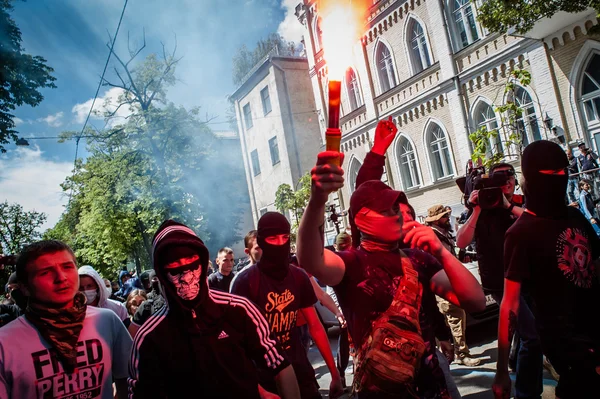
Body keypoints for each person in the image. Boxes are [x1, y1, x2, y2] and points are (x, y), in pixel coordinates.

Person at [297, 145, 486, 397]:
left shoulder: (419, 260)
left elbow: (475, 301)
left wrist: (441, 253)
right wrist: (318, 198)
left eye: (396, 209)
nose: (395, 216)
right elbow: (310, 258)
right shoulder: (351, 262)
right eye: (385, 210)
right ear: (361, 217)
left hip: (431, 384)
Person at [128, 220, 300, 399]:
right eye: (175, 268)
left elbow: (279, 364)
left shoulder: (239, 309)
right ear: (162, 274)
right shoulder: (150, 338)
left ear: (202, 263)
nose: (186, 277)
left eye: (192, 264)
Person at [493, 140, 600, 399]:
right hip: (566, 348)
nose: (560, 178)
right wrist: (502, 370)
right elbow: (510, 304)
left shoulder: (575, 217)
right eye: (551, 174)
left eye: (563, 172)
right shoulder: (520, 233)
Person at [231, 213, 344, 399]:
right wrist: (259, 390)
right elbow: (237, 344)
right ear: (262, 241)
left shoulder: (298, 277)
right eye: (272, 238)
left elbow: (315, 326)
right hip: (265, 376)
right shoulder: (245, 282)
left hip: (299, 369)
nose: (279, 244)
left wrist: (334, 373)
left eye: (284, 237)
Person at [0, 240, 132, 399]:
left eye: (67, 267)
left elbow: (129, 381)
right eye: (45, 272)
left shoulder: (106, 321)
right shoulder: (5, 343)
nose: (61, 278)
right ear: (24, 287)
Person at [456, 162, 544, 399]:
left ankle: (518, 365)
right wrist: (475, 210)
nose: (508, 185)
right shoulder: (480, 210)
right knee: (532, 336)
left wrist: (508, 206)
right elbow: (461, 242)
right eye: (502, 182)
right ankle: (527, 392)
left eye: (511, 180)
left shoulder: (516, 204)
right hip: (500, 282)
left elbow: (537, 226)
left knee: (528, 333)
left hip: (526, 277)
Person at [425, 205, 481, 367]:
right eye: (444, 216)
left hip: (448, 281)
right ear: (436, 220)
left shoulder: (442, 233)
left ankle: (450, 353)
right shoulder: (432, 235)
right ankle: (461, 354)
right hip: (443, 282)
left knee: (452, 317)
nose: (447, 218)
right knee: (455, 316)